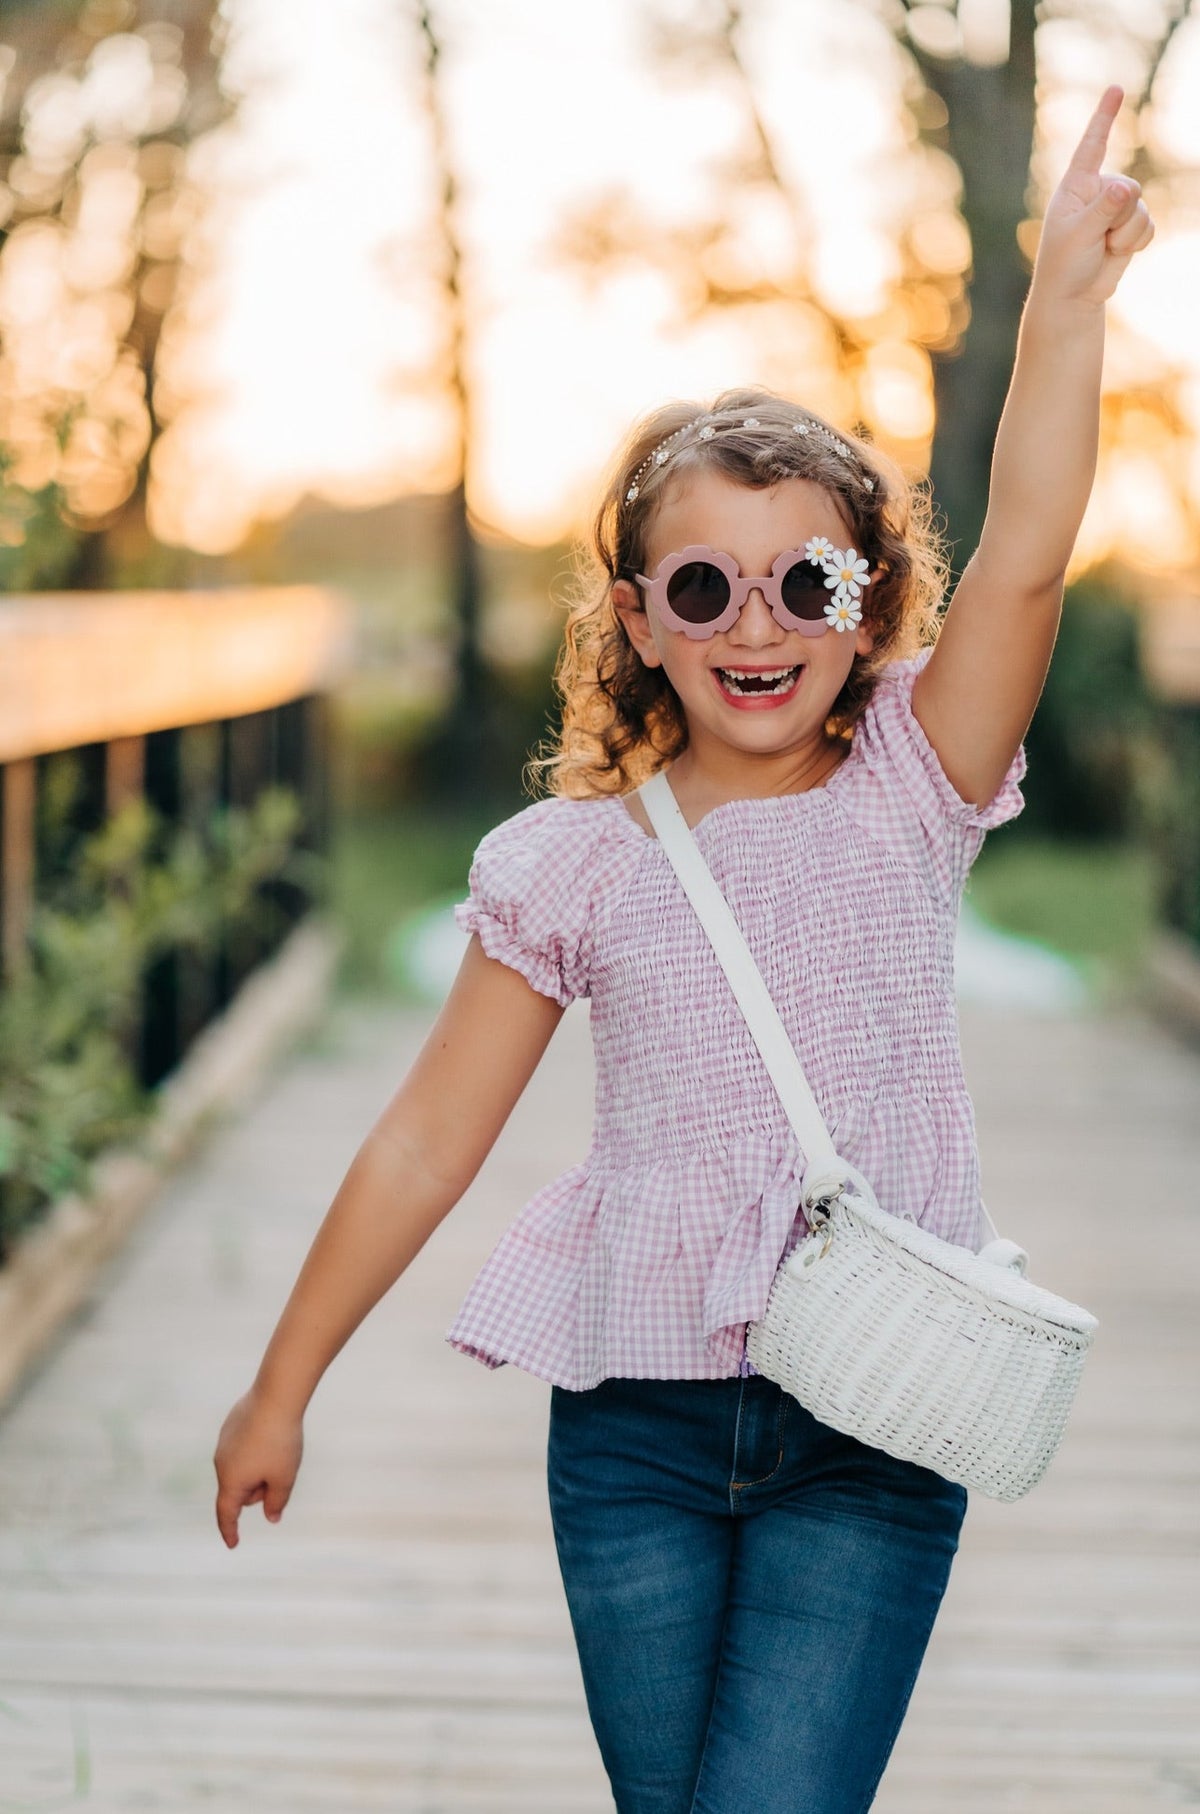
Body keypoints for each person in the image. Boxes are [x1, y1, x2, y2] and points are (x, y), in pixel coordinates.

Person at [214, 84, 1154, 1812]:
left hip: (872, 1422)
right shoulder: (572, 862)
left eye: (804, 582)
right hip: (632, 1434)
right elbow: (430, 1135)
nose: (754, 625)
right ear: (639, 623)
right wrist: (284, 1385)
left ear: (866, 603)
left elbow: (1025, 556)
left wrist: (1071, 304)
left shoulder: (911, 786)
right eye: (700, 588)